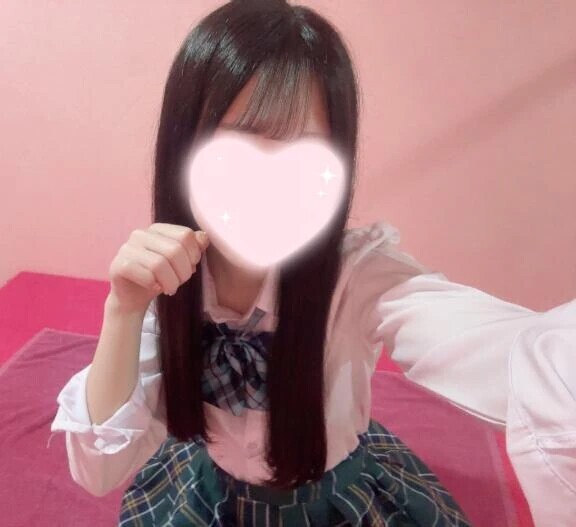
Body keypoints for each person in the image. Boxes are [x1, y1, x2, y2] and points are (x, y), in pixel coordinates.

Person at [49, 1, 576, 525]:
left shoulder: (357, 273)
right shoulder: (170, 280)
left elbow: (495, 348)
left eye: (305, 153)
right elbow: (98, 469)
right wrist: (123, 308)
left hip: (336, 499)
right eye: (241, 143)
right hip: (209, 497)